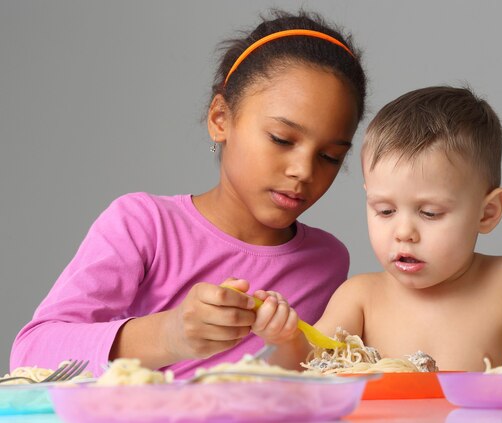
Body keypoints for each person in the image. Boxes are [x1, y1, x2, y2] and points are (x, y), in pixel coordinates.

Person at [10, 9, 367, 378]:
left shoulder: (326, 261)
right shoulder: (143, 225)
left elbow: (313, 378)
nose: (304, 171)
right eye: (281, 139)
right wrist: (170, 334)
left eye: (330, 156)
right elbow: (30, 353)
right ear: (220, 119)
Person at [253, 86, 502, 372]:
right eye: (384, 210)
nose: (404, 232)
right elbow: (306, 373)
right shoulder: (360, 298)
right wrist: (286, 340)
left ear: (486, 213)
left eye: (430, 213)